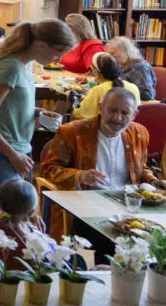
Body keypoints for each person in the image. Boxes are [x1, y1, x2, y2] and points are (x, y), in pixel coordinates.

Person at [0, 19, 76, 208]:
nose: (58, 59)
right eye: (58, 52)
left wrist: (34, 111)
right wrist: (12, 155)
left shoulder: (24, 65)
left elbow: (6, 106)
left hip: (15, 151)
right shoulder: (11, 67)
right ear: (42, 46)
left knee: (11, 220)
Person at [41, 86, 154, 240]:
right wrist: (80, 176)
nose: (117, 118)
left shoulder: (139, 133)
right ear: (101, 107)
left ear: (134, 114)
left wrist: (153, 181)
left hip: (128, 205)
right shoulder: (72, 133)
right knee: (113, 238)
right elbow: (48, 170)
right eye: (112, 110)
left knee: (155, 235)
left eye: (125, 113)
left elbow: (141, 168)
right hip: (88, 205)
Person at [74, 52, 142, 119]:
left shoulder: (98, 90)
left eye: (92, 67)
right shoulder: (134, 87)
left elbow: (80, 115)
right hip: (127, 128)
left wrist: (72, 106)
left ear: (96, 71)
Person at [106, 36, 157, 102]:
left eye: (113, 53)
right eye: (108, 54)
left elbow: (146, 95)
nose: (110, 57)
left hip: (136, 106)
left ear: (126, 51)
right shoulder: (122, 64)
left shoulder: (139, 67)